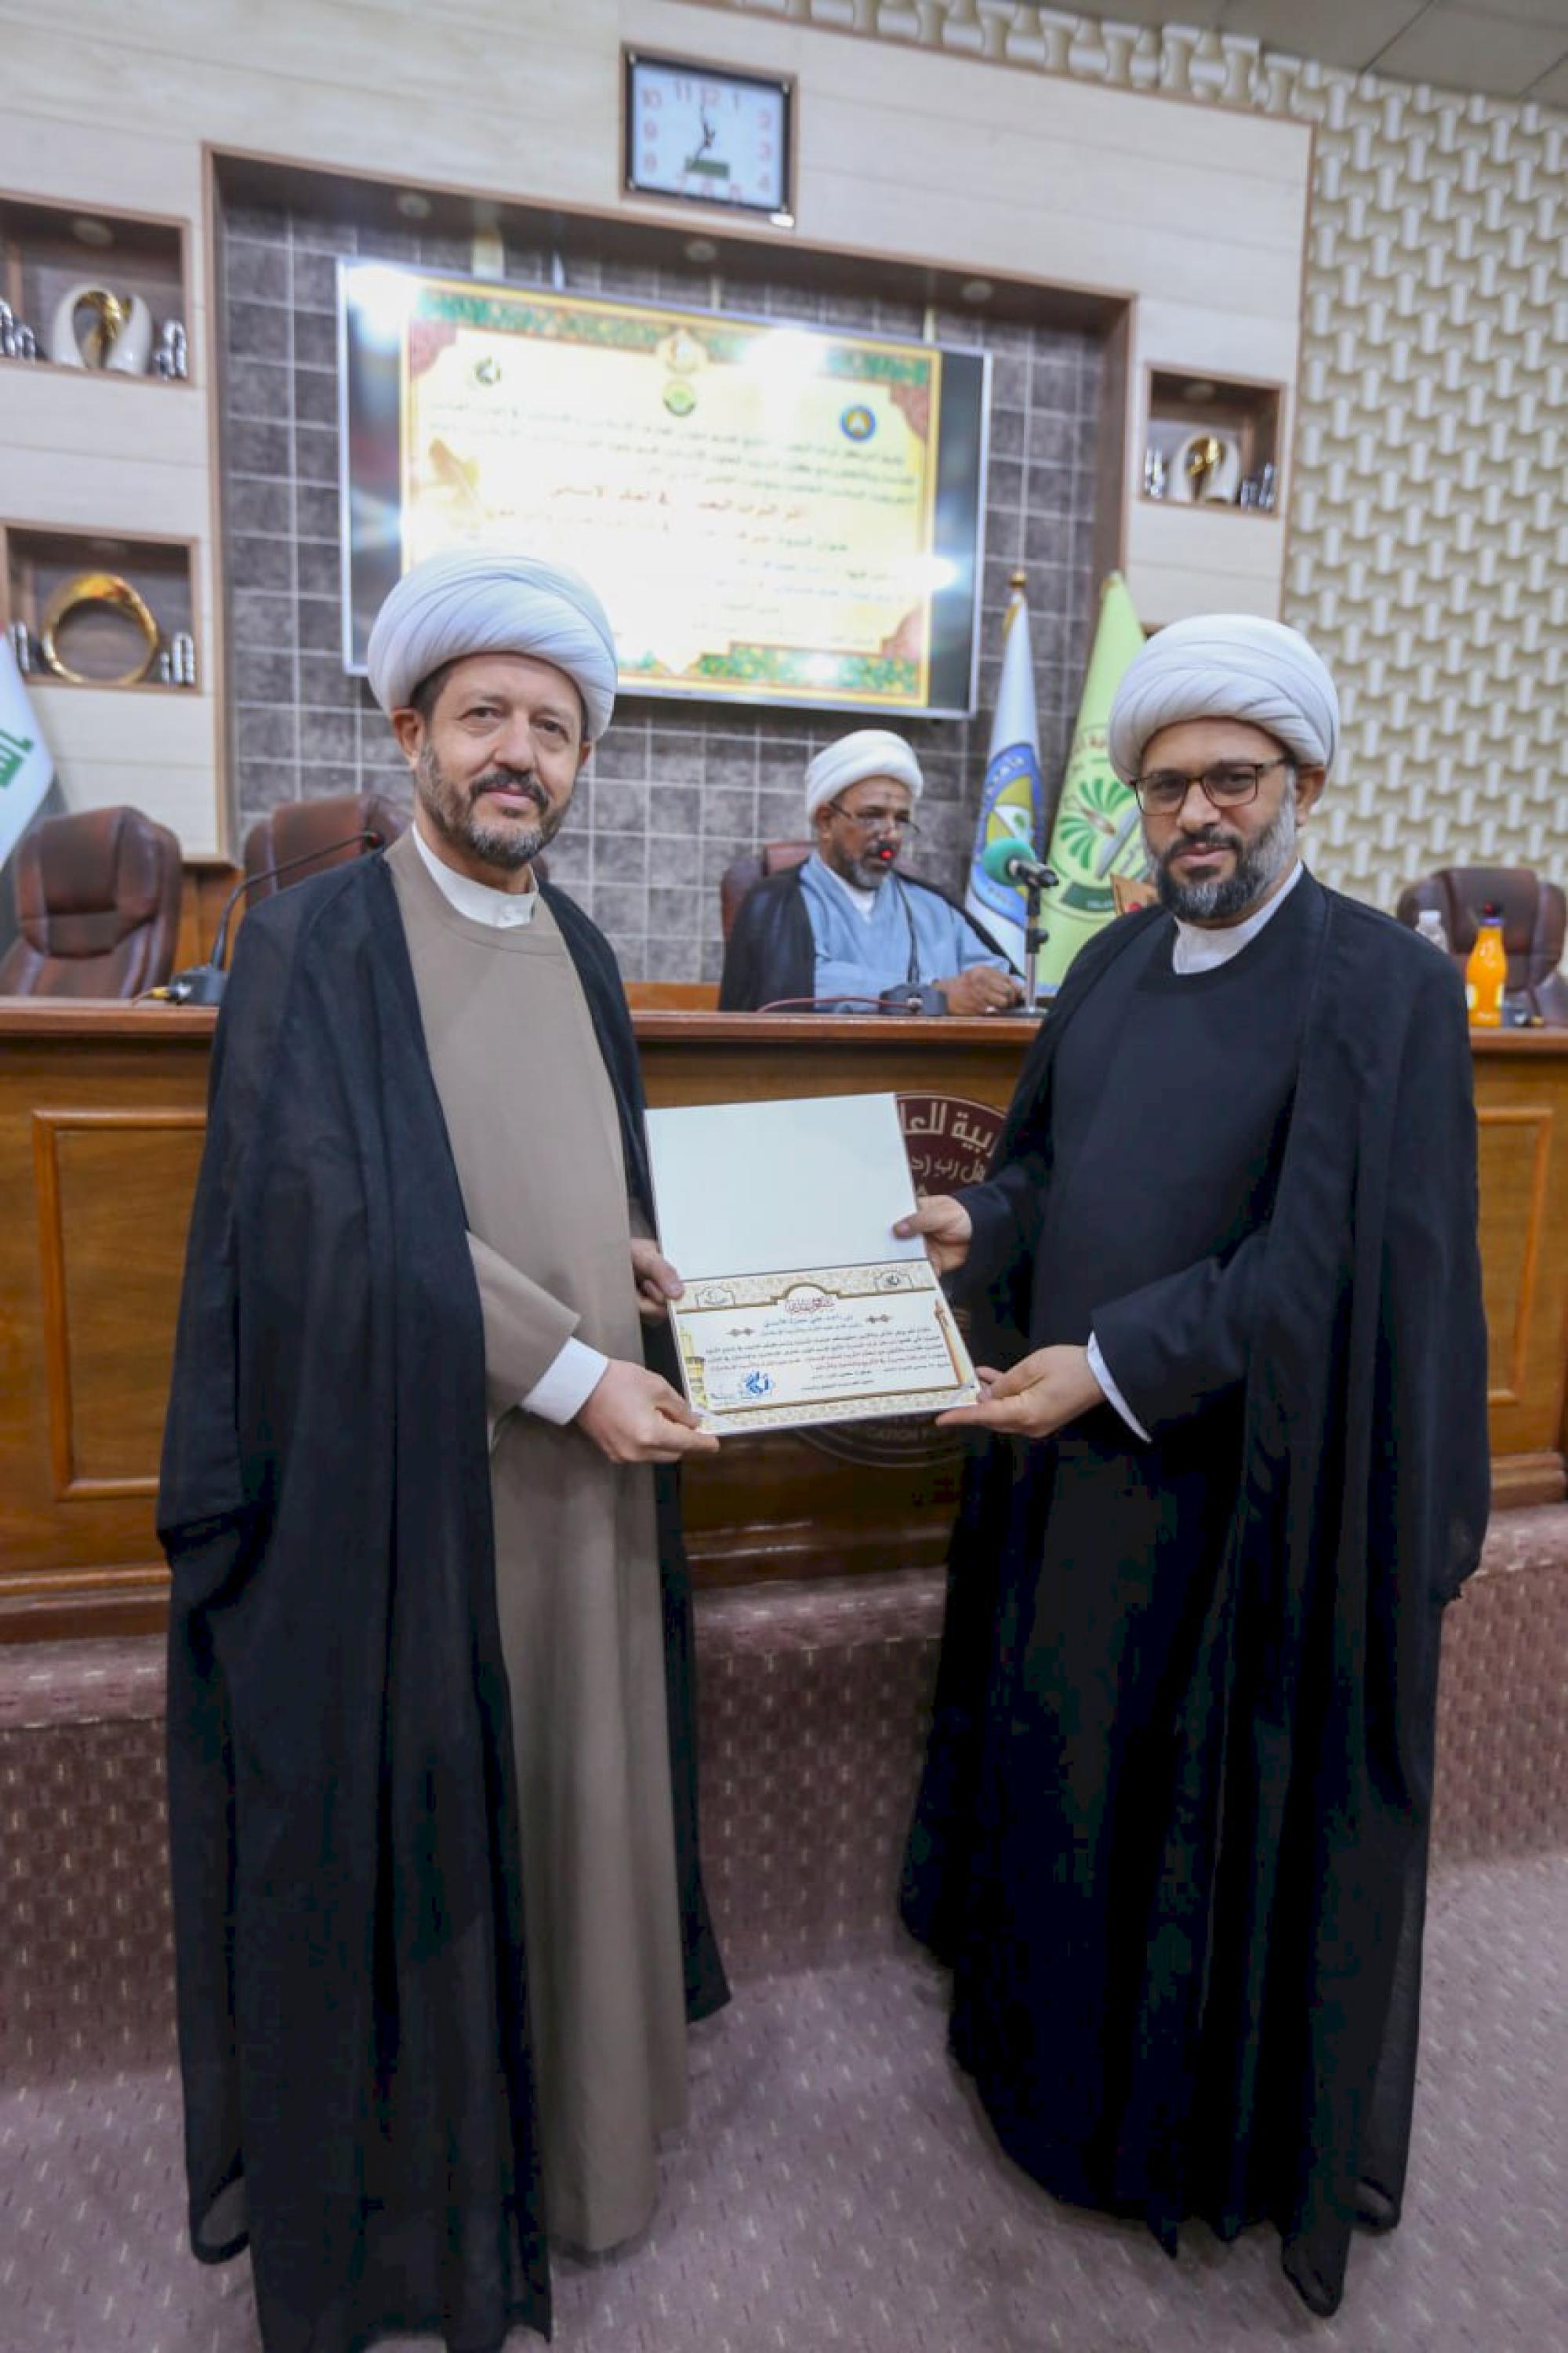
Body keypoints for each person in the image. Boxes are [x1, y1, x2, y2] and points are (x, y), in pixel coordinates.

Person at [159, 549, 728, 2353]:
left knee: (579, 1800)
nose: (516, 753)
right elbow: (333, 1219)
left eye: (551, 727)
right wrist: (565, 1370)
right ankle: (444, 2203)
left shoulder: (580, 945)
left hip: (587, 1481)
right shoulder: (316, 940)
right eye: (483, 714)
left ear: (580, 760)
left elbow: (565, 1158)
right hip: (416, 1497)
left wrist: (627, 1254)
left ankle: (579, 2162)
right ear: (409, 731)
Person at [897, 615, 1488, 2316]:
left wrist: (1114, 1364)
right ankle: (1045, 2094)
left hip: (1246, 1508)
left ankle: (1163, 2142)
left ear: (1304, 784)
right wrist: (981, 1219)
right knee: (1065, 1771)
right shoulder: (1108, 964)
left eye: (1233, 779)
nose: (1196, 816)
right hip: (1065, 1466)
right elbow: (1048, 1167)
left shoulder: (1381, 992)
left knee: (1184, 1814)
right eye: (1166, 789)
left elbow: (1322, 1269)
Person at [718, 728, 1022, 1011]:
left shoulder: (935, 909)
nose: (891, 834)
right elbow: (798, 985)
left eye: (900, 819)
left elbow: (1005, 981)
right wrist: (933, 994)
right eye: (872, 815)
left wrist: (1001, 990)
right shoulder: (776, 902)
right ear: (826, 821)